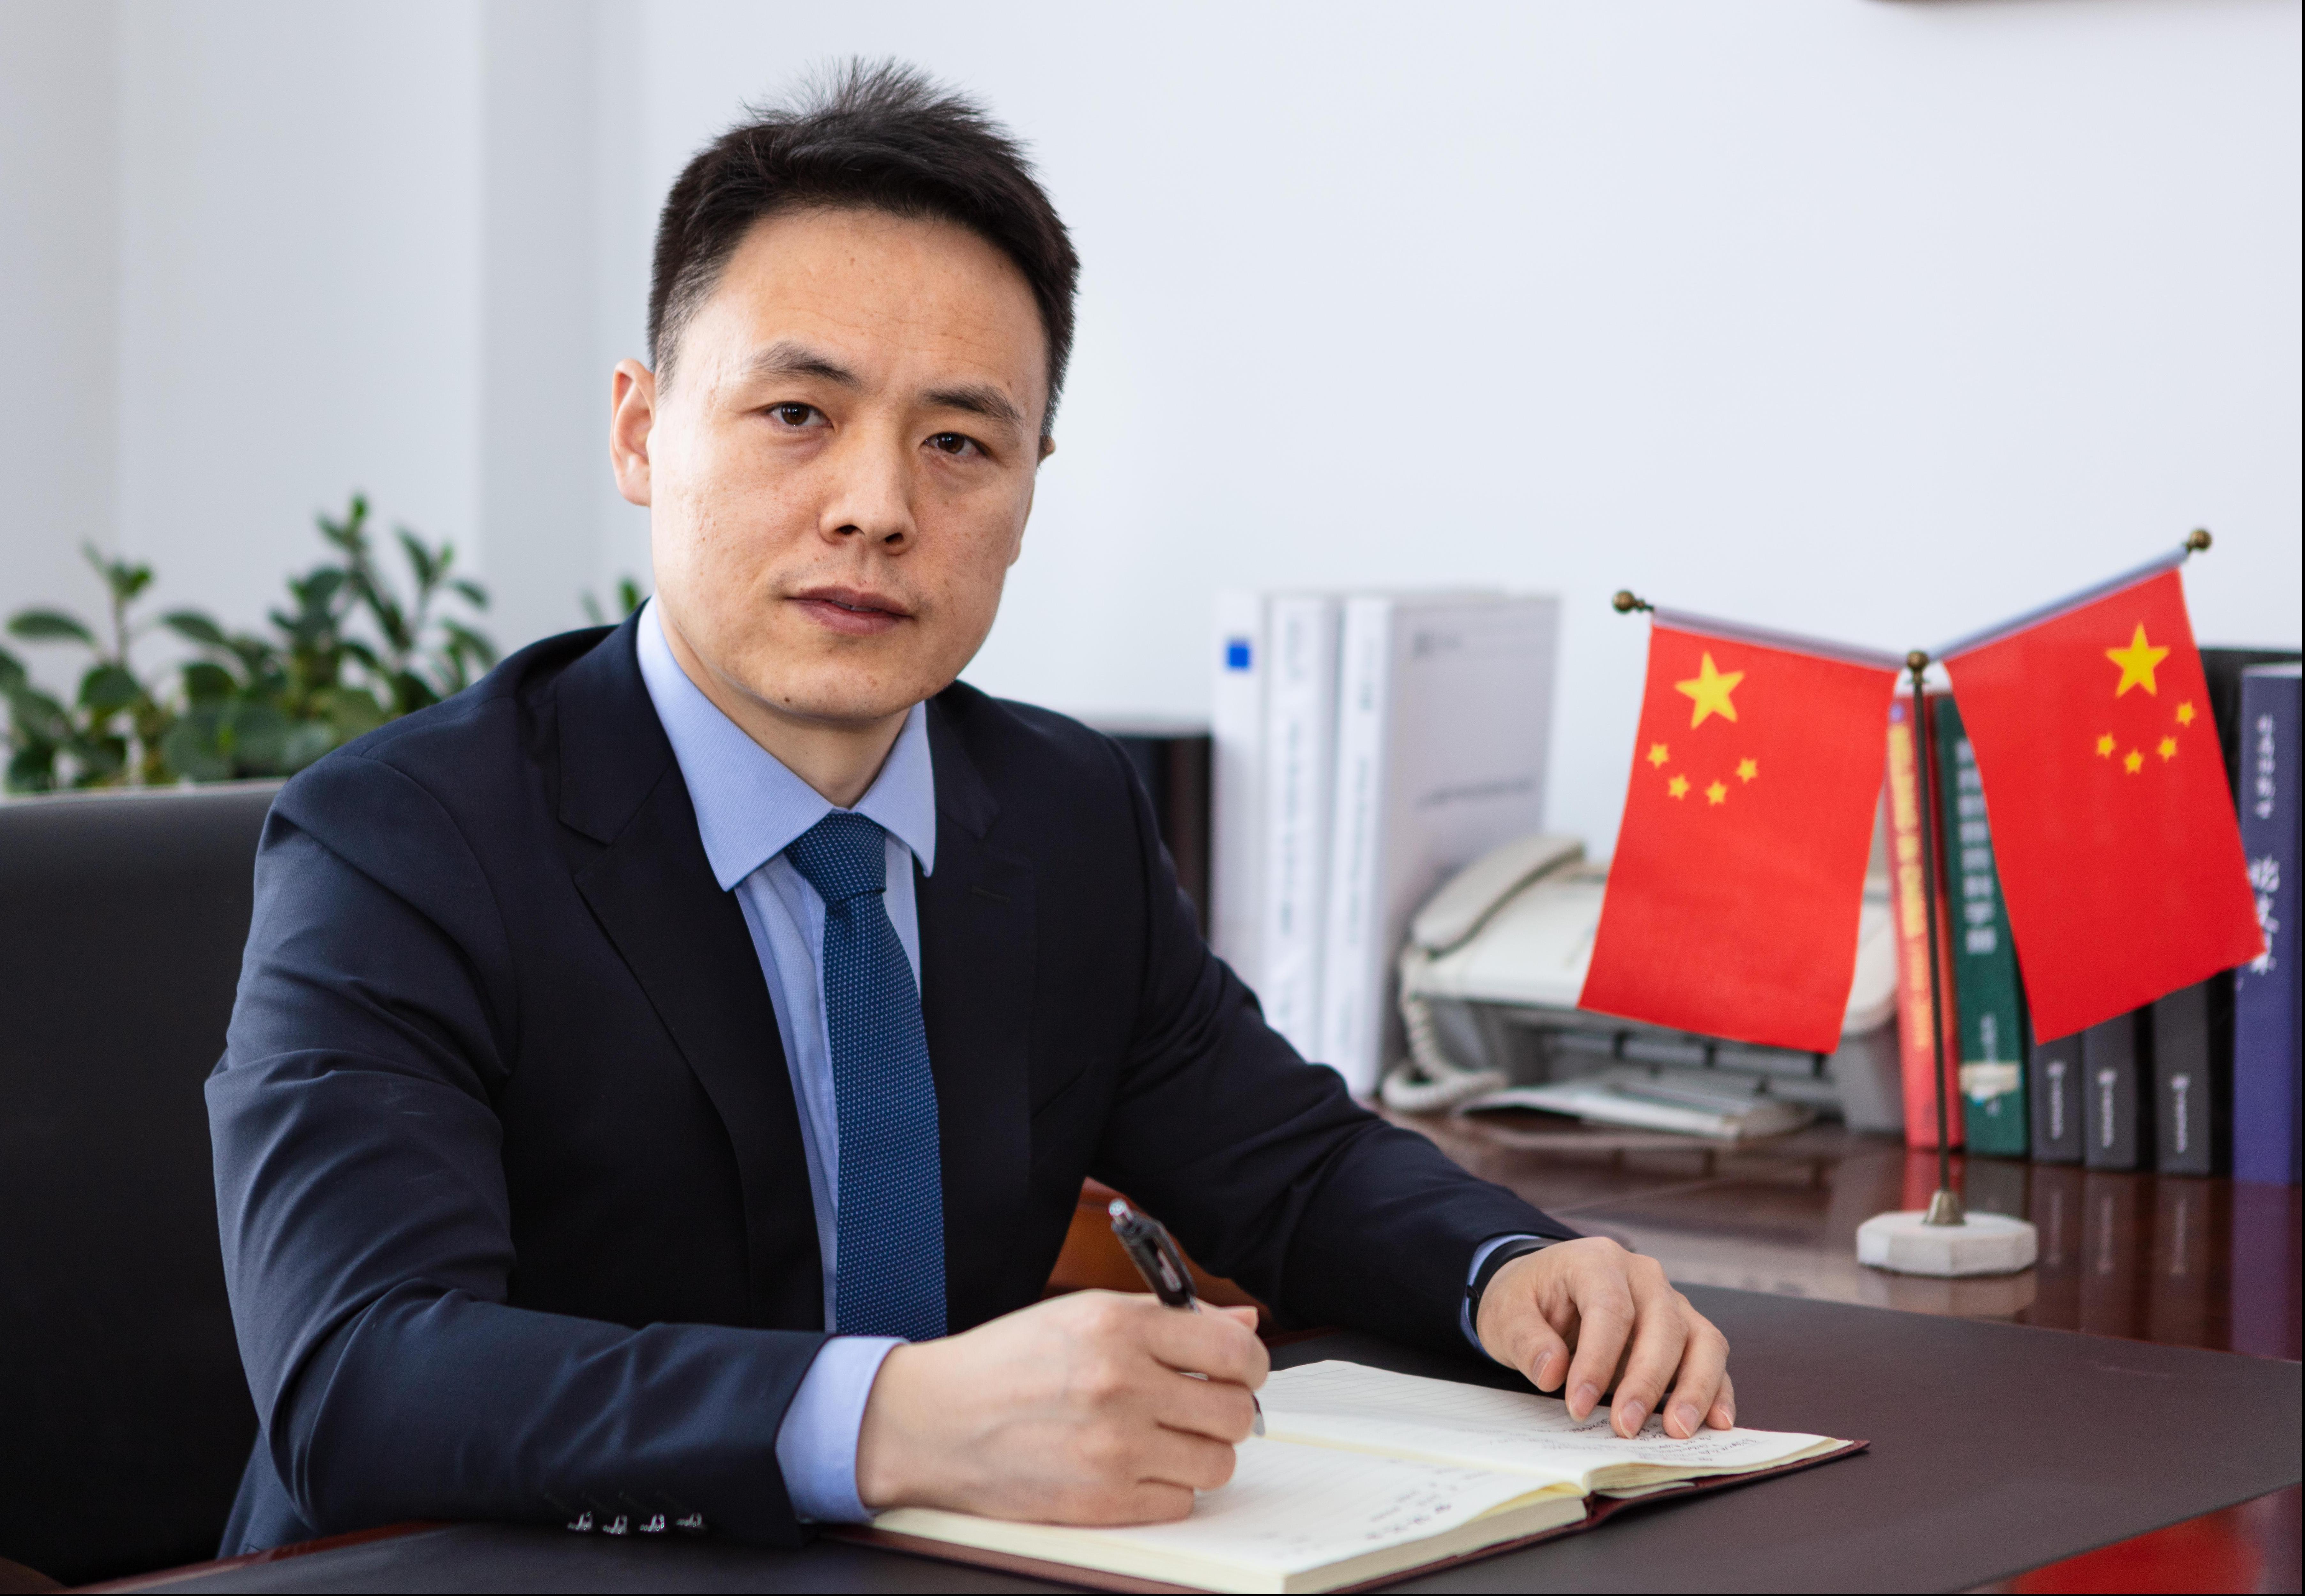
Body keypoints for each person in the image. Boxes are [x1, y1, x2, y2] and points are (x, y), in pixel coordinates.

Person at [209, 61, 1732, 1554]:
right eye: (796, 411)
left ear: (1028, 484)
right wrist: (893, 1418)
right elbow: (360, 1377)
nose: (877, 507)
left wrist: (1507, 1269)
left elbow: (1292, 1164)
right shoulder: (403, 842)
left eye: (958, 443)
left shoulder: (1061, 809)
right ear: (639, 432)